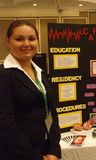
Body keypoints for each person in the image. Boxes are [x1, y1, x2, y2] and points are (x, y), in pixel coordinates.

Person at [0, 20, 61, 160]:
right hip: (18, 155)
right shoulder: (3, 76)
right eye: (19, 39)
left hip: (44, 149)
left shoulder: (40, 72)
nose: (26, 44)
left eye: (31, 39)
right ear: (8, 41)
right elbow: (5, 125)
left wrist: (53, 150)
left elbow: (52, 112)